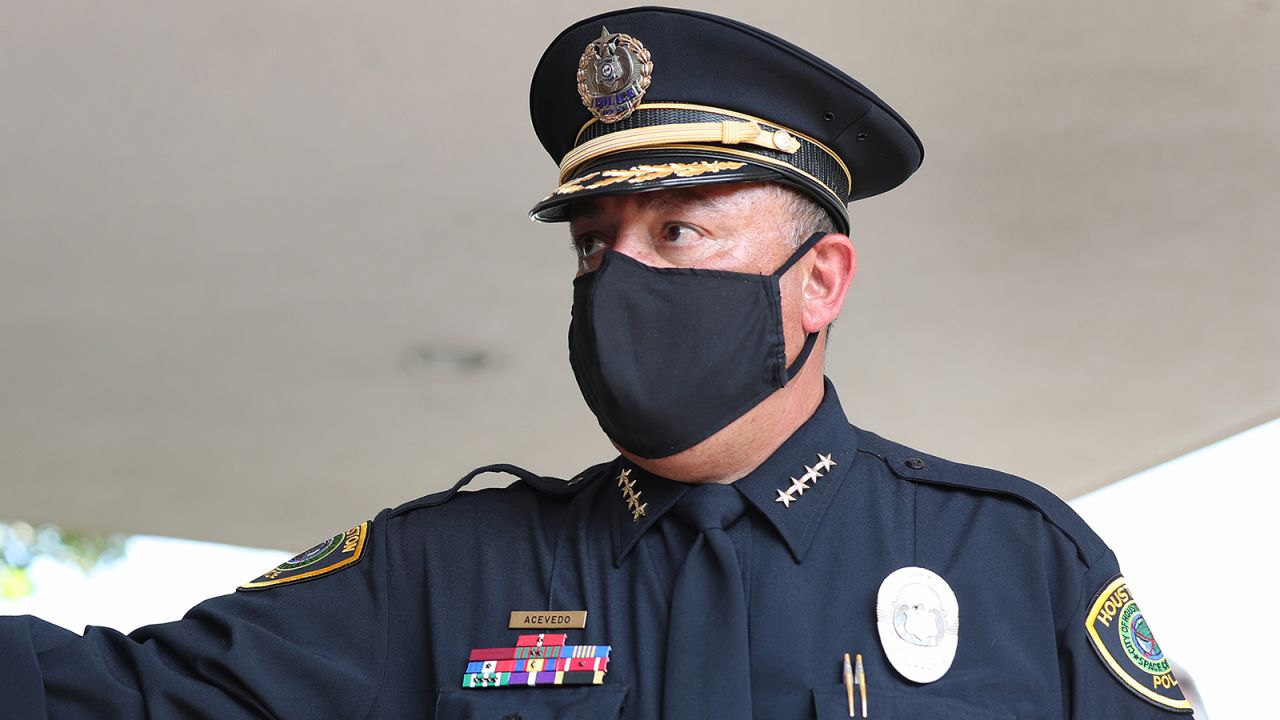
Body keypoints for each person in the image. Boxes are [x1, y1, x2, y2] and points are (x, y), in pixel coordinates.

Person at [0, 7, 1193, 719]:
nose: (622, 280)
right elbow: (114, 697)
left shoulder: (1013, 564)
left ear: (819, 281)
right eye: (593, 246)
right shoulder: (440, 575)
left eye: (678, 232)